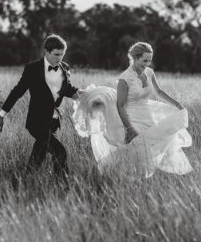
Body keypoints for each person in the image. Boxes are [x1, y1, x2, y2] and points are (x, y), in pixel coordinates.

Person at [72, 41, 192, 177]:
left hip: (148, 114)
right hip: (132, 117)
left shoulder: (149, 72)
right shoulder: (125, 79)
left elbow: (158, 92)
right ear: (135, 58)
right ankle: (110, 175)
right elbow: (121, 105)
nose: (147, 64)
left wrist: (177, 105)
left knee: (153, 148)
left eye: (149, 61)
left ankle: (138, 182)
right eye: (144, 60)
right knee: (135, 150)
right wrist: (129, 128)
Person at [0, 34, 81, 180]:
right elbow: (17, 92)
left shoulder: (64, 68)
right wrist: (1, 115)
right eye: (56, 54)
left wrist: (84, 95)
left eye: (62, 54)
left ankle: (22, 183)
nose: (59, 58)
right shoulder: (32, 69)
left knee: (38, 155)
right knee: (60, 152)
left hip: (53, 122)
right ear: (46, 52)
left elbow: (66, 89)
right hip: (36, 122)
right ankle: (64, 187)